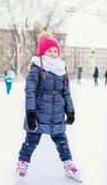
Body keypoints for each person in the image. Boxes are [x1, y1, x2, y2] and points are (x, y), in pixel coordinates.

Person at [16, 32, 82, 185]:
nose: (53, 54)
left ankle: (68, 166)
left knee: (62, 142)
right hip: (39, 114)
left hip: (57, 114)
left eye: (55, 51)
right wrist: (31, 113)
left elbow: (66, 92)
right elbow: (30, 92)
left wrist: (70, 111)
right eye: (49, 51)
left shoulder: (61, 69)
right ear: (42, 52)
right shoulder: (36, 69)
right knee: (31, 141)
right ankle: (22, 165)